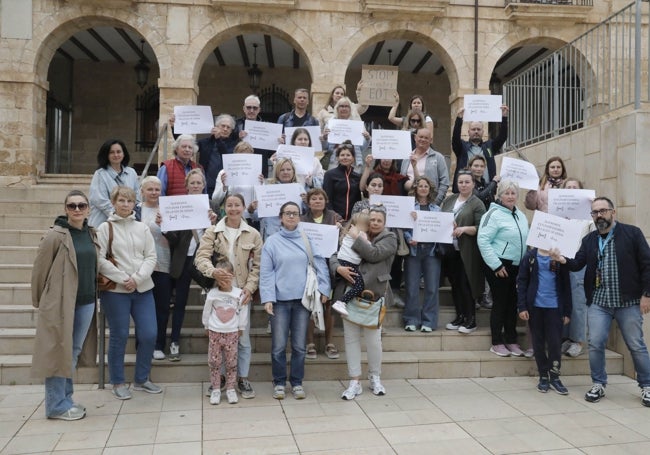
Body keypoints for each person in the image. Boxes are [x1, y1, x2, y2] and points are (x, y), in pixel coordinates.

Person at [550, 197, 650, 407]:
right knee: (595, 344)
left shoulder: (632, 234)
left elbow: (647, 264)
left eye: (603, 211)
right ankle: (598, 384)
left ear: (613, 212)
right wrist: (562, 260)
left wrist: (646, 294)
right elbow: (577, 264)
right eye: (595, 212)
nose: (599, 215)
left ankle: (647, 386)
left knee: (636, 345)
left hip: (629, 301)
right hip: (598, 302)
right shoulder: (589, 240)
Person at [31, 190, 97, 420]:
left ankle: (65, 399)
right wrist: (42, 302)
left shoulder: (90, 233)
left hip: (87, 301)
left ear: (88, 208)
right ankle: (56, 405)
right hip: (60, 303)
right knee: (59, 353)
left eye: (81, 205)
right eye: (72, 206)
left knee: (73, 351)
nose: (77, 209)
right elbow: (40, 271)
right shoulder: (55, 236)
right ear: (65, 209)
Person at [195, 193, 262, 400]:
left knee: (242, 338)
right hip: (218, 292)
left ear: (243, 207)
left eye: (237, 205)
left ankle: (242, 378)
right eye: (229, 205)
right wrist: (213, 272)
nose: (233, 209)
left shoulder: (253, 234)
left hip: (240, 293)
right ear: (224, 207)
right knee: (218, 337)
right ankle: (221, 378)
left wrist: (250, 289)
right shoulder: (212, 232)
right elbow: (201, 258)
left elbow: (258, 267)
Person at [261, 202, 330, 400]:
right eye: (287, 213)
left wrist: (324, 289)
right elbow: (266, 273)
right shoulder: (272, 242)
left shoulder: (307, 240)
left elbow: (320, 265)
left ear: (300, 217)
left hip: (303, 301)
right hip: (280, 301)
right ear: (280, 217)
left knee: (300, 346)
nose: (291, 216)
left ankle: (297, 382)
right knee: (278, 346)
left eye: (295, 213)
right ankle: (279, 382)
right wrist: (268, 298)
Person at [96, 186, 160, 400]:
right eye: (121, 200)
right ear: (114, 202)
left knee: (149, 334)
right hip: (116, 290)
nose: (125, 204)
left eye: (129, 201)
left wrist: (137, 278)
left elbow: (151, 256)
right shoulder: (104, 228)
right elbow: (100, 260)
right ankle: (118, 381)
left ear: (135, 204)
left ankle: (141, 379)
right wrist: (124, 278)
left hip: (142, 288)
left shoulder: (142, 228)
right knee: (119, 335)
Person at [330, 204, 397, 400]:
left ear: (384, 223)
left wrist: (356, 237)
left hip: (374, 295)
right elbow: (335, 254)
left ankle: (375, 377)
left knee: (373, 341)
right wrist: (338, 268)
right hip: (348, 293)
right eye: (372, 220)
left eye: (378, 220)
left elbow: (374, 254)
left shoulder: (390, 238)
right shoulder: (355, 232)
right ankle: (355, 381)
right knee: (350, 339)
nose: (374, 223)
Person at [161, 169, 218, 361]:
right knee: (180, 302)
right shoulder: (179, 205)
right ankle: (174, 341)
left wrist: (214, 223)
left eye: (198, 183)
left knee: (214, 294)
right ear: (186, 186)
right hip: (184, 259)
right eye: (192, 183)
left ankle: (218, 341)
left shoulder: (211, 205)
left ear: (203, 185)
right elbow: (175, 240)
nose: (195, 186)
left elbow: (218, 236)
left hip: (205, 258)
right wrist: (166, 228)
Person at [477, 180, 529, 357]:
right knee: (500, 302)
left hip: (517, 265)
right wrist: (496, 265)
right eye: (506, 193)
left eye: (513, 193)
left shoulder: (521, 215)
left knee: (513, 303)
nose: (510, 196)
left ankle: (512, 340)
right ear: (499, 195)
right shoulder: (493, 214)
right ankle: (497, 342)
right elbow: (483, 240)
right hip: (499, 264)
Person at [517, 246, 572, 395]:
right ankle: (543, 376)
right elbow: (522, 282)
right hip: (535, 307)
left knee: (555, 343)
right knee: (538, 343)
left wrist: (567, 311)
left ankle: (554, 376)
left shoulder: (560, 257)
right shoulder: (530, 257)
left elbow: (567, 285)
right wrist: (522, 307)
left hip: (555, 308)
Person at [440, 170, 486, 334]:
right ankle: (460, 316)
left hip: (468, 250)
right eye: (461, 182)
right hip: (450, 250)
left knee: (467, 285)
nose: (464, 185)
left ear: (473, 184)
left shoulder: (477, 203)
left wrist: (465, 229)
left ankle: (470, 319)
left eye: (467, 182)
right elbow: (440, 219)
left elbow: (482, 228)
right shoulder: (449, 200)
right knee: (455, 284)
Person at [301, 189, 343, 359]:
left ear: (326, 201)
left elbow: (346, 235)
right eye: (314, 199)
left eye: (320, 198)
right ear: (308, 202)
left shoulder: (334, 217)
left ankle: (329, 342)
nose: (317, 201)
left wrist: (341, 229)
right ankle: (309, 342)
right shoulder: (302, 220)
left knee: (329, 304)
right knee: (311, 302)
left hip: (330, 265)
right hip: (309, 267)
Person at [203, 259, 247, 405]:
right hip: (215, 332)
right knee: (214, 361)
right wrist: (206, 326)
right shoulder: (212, 294)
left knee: (231, 362)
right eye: (220, 277)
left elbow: (243, 310)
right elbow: (207, 311)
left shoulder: (239, 293)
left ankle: (230, 388)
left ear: (232, 275)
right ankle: (216, 389)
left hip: (232, 333)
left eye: (226, 276)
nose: (223, 280)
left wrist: (241, 327)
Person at [138, 176, 172, 361]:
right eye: (149, 189)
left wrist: (165, 226)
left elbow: (175, 238)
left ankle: (159, 345)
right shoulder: (136, 210)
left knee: (162, 306)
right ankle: (141, 345)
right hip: (140, 265)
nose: (153, 193)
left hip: (163, 264)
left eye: (157, 189)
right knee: (141, 308)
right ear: (142, 191)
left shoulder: (167, 209)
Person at [402, 176, 441, 332]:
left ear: (430, 189)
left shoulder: (437, 209)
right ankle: (411, 319)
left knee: (432, 287)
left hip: (432, 251)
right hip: (414, 251)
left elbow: (441, 228)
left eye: (426, 186)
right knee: (412, 286)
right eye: (420, 186)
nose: (423, 188)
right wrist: (409, 238)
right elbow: (404, 228)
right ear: (416, 189)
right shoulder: (410, 208)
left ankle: (429, 321)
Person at [169, 114, 238, 197]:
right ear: (216, 126)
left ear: (231, 131)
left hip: (223, 187)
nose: (225, 129)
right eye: (223, 126)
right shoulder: (205, 142)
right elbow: (186, 143)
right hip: (204, 186)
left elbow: (226, 157)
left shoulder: (234, 145)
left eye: (228, 127)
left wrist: (219, 140)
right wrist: (174, 127)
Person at [560, 178, 590, 358]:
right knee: (564, 300)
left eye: (575, 188)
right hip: (560, 261)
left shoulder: (588, 216)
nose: (571, 190)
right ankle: (565, 337)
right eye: (568, 188)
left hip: (580, 262)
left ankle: (578, 340)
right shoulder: (559, 213)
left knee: (578, 302)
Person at [451, 105, 509, 193]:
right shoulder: (462, 147)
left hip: (487, 191)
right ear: (468, 132)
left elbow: (502, 137)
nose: (476, 131)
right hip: (464, 192)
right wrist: (459, 119)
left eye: (479, 129)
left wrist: (504, 117)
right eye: (473, 129)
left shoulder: (489, 146)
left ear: (483, 132)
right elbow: (455, 138)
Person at [89, 139, 140, 227]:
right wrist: (120, 216)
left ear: (124, 154)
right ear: (106, 155)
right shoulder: (100, 174)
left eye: (119, 152)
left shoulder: (132, 173)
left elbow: (137, 198)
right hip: (103, 224)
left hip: (127, 224)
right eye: (112, 152)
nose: (116, 155)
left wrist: (128, 215)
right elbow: (100, 201)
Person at [211, 141, 264, 226]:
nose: (244, 159)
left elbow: (261, 202)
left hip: (250, 218)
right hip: (231, 217)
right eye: (241, 155)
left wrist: (261, 186)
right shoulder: (224, 173)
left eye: (248, 156)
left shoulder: (257, 173)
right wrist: (224, 186)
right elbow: (215, 200)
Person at [251, 157, 303, 240]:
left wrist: (307, 202)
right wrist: (251, 210)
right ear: (277, 172)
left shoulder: (300, 189)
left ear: (293, 171)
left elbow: (305, 212)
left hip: (294, 234)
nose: (285, 172)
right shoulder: (268, 189)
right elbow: (257, 217)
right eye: (282, 170)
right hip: (272, 235)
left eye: (288, 169)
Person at [331, 211, 371, 316]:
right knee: (359, 285)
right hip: (349, 262)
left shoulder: (347, 232)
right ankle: (342, 302)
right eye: (366, 225)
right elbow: (369, 249)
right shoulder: (360, 234)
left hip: (342, 261)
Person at [401, 128, 449, 206]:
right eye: (421, 137)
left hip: (430, 203)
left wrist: (436, 202)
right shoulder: (406, 158)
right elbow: (401, 179)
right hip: (407, 202)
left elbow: (445, 182)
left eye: (426, 138)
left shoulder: (438, 157)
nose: (423, 140)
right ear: (415, 138)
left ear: (431, 140)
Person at [321, 96, 371, 170]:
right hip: (334, 162)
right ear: (337, 108)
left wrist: (367, 139)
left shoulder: (357, 124)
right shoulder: (330, 123)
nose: (344, 108)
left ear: (350, 109)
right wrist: (324, 138)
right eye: (341, 106)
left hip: (354, 163)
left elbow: (362, 148)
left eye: (346, 106)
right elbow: (325, 147)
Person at [235, 95, 273, 178]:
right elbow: (228, 148)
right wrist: (238, 138)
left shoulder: (267, 127)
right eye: (249, 107)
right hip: (240, 170)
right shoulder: (235, 125)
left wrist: (277, 143)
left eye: (255, 108)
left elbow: (271, 154)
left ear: (259, 110)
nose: (251, 110)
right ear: (244, 108)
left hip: (260, 172)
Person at [323, 142, 362, 221]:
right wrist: (334, 217)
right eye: (342, 155)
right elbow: (327, 199)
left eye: (348, 155)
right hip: (336, 219)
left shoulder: (357, 176)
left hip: (352, 220)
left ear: (353, 158)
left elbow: (358, 200)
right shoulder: (329, 175)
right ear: (337, 158)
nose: (345, 157)